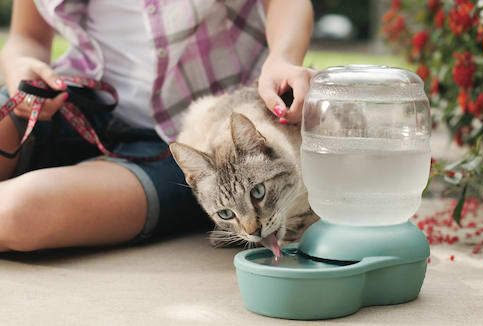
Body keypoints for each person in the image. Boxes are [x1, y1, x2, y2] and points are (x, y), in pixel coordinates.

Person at [0, 0, 314, 252]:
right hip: (74, 98)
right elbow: (26, 37)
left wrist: (282, 58)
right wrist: (20, 68)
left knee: (13, 213)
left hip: (182, 142)